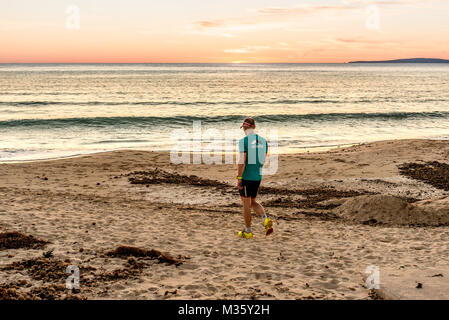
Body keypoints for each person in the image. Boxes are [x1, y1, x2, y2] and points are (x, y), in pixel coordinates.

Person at [236, 117, 273, 239]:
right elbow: (263, 160)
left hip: (246, 177)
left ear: (245, 128)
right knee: (252, 202)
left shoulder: (243, 141)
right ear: (254, 127)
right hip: (258, 176)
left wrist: (239, 177)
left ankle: (248, 231)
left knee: (246, 204)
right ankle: (265, 220)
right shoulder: (264, 141)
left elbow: (242, 161)